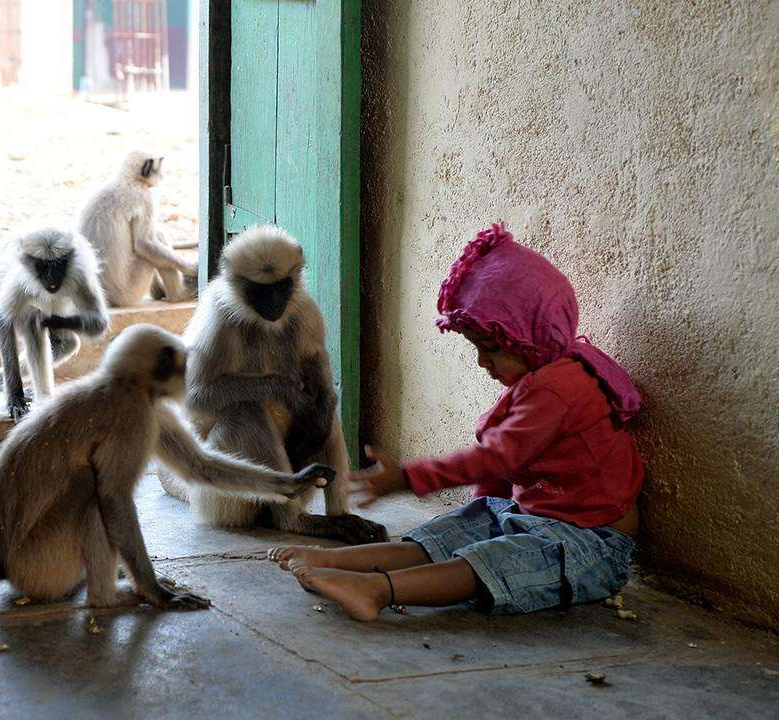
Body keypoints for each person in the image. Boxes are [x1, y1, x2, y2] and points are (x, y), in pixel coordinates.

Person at [268, 222, 644, 621]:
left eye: (492, 348)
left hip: (590, 544)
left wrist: (409, 478)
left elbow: (496, 458)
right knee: (456, 528)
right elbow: (502, 474)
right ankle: (343, 563)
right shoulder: (541, 377)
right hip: (532, 517)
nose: (484, 362)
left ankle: (377, 589)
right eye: (478, 348)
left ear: (532, 335)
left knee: (492, 560)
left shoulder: (559, 389)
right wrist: (483, 511)